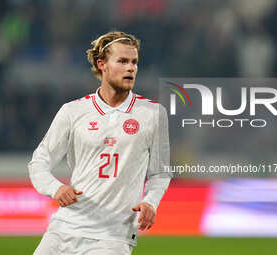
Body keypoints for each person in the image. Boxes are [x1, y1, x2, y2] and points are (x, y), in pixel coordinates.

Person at [28, 31, 172, 255]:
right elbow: (39, 162)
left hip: (112, 237)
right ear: (102, 64)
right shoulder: (73, 111)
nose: (131, 68)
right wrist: (55, 188)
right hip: (64, 228)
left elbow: (160, 172)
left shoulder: (153, 113)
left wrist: (151, 202)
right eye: (122, 61)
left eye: (134, 62)